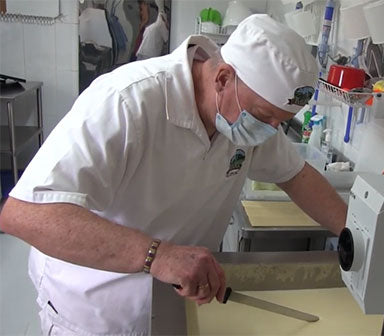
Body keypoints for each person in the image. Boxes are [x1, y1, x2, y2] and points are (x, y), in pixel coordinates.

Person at [0, 14, 348, 335]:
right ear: (223, 78)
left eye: (279, 122)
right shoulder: (127, 101)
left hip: (171, 307)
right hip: (93, 313)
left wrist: (355, 238)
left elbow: (296, 176)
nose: (270, 131)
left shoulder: (249, 120)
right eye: (263, 116)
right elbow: (25, 214)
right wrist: (158, 255)